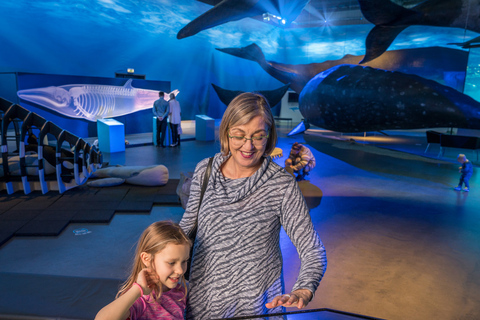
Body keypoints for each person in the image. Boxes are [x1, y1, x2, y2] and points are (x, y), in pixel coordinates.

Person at [179, 92, 327, 319]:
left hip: (257, 308)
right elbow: (185, 231)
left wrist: (303, 289)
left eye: (258, 136)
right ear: (226, 133)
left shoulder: (281, 184)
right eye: (239, 135)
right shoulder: (205, 170)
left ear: (269, 136)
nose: (248, 146)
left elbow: (312, 249)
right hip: (204, 306)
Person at [95, 221, 190, 320]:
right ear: (146, 259)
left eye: (184, 261)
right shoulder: (142, 299)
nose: (180, 270)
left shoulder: (180, 292)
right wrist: (138, 289)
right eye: (171, 263)